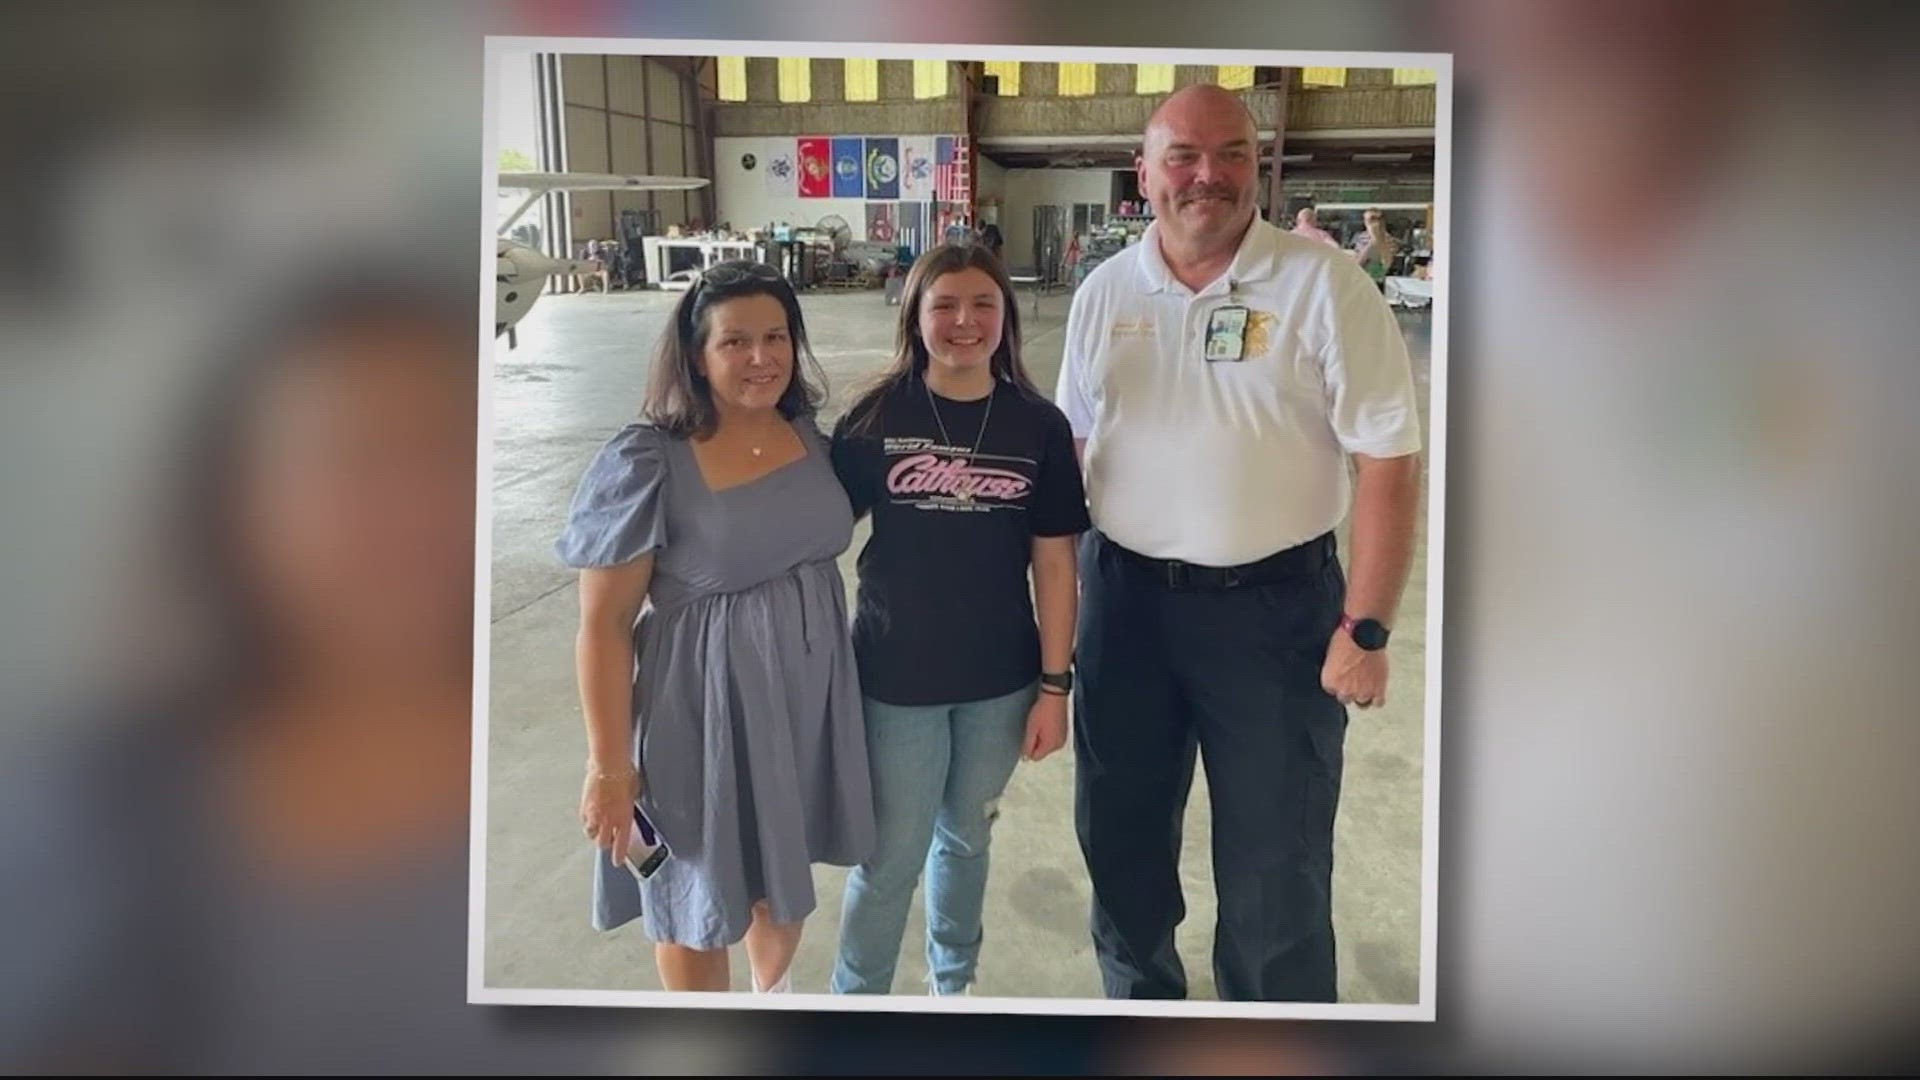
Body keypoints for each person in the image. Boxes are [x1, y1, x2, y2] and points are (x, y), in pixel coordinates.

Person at [1056, 84, 1424, 1002]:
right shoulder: (1106, 292)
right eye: (1182, 155)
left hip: (1275, 618)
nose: (1206, 175)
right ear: (1143, 174)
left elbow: (1388, 459)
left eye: (1230, 153)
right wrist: (1049, 631)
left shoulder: (1323, 284)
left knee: (1277, 867)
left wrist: (1368, 627)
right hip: (1126, 608)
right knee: (1123, 843)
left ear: (1258, 166)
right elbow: (1066, 452)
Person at [555, 260, 876, 994]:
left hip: (803, 701)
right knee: (688, 887)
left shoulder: (807, 434)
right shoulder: (648, 459)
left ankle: (773, 1000)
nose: (761, 357)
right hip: (696, 713)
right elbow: (602, 626)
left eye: (776, 337)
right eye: (735, 342)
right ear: (696, 355)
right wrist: (609, 765)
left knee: (776, 870)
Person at [826, 242, 1090, 996]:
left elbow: (1055, 563)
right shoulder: (878, 414)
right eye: (944, 304)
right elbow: (812, 532)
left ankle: (954, 983)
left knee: (968, 837)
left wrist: (1054, 686)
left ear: (1006, 318)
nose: (964, 321)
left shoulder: (1037, 425)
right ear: (915, 315)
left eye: (983, 305)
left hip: (999, 682)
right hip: (895, 676)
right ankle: (857, 998)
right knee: (893, 857)